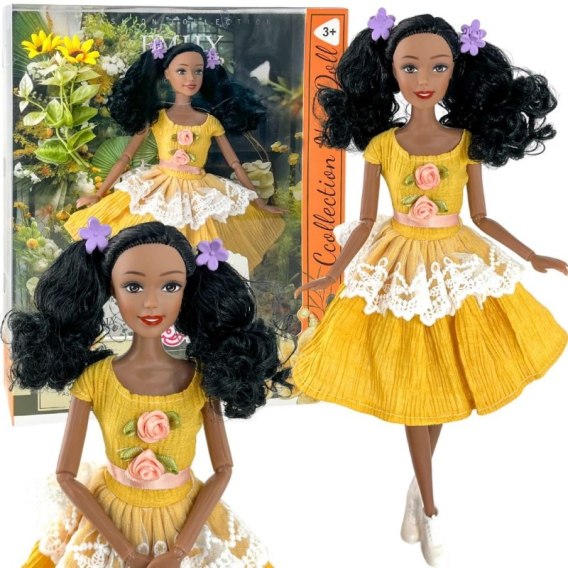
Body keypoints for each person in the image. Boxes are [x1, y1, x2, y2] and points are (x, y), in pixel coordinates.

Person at [293, 9, 567, 567]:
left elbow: (482, 216)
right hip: (398, 263)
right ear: (389, 72)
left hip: (453, 261)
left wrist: (532, 254)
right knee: (415, 380)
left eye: (438, 67)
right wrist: (335, 271)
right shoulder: (381, 145)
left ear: (456, 72)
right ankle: (431, 507)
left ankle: (419, 492)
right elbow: (364, 221)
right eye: (410, 67)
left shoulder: (465, 142)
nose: (424, 79)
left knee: (441, 373)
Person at [7, 220, 289, 567]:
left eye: (170, 286)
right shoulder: (96, 380)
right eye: (133, 286)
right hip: (111, 522)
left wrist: (180, 551)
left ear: (188, 291)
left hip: (185, 521)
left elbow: (223, 469)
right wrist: (125, 551)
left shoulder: (201, 379)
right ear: (111, 290)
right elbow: (65, 475)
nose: (152, 302)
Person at [64, 41, 285, 272]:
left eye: (198, 71)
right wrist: (99, 193)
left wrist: (259, 202)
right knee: (147, 241)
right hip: (159, 188)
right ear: (166, 74)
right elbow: (126, 157)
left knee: (201, 246)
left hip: (200, 190)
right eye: (181, 71)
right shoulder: (158, 118)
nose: (191, 78)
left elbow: (235, 164)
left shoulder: (210, 122)